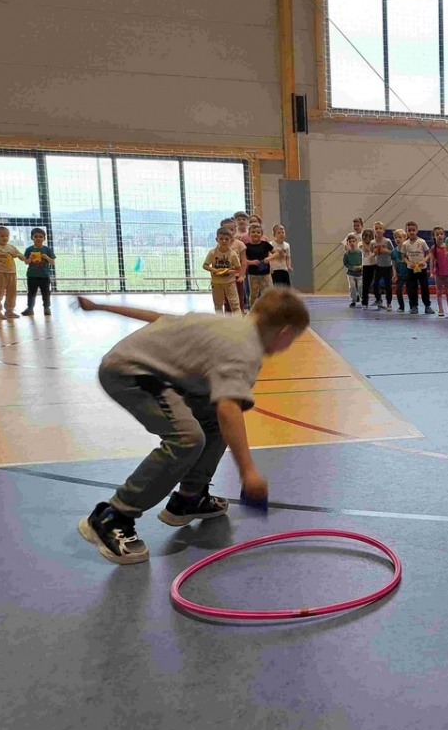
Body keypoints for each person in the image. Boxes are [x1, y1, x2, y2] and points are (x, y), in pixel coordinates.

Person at [74, 288, 309, 565]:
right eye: (293, 339)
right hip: (130, 373)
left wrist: (101, 306)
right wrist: (248, 472)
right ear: (284, 332)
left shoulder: (229, 324)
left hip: (158, 374)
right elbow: (228, 408)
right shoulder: (244, 349)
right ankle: (112, 516)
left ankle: (189, 498)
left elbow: (159, 318)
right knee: (186, 438)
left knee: (211, 421)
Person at [0, 226, 24, 320]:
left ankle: (9, 311)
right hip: (0, 273)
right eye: (2, 236)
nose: (5, 238)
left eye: (7, 236)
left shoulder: (11, 247)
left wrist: (16, 255)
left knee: (12, 293)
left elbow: (23, 257)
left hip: (12, 273)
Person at [203, 227, 241, 314]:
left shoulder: (233, 254)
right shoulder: (212, 253)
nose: (224, 241)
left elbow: (238, 269)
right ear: (217, 239)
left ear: (230, 240)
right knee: (218, 304)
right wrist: (214, 270)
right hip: (216, 282)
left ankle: (238, 320)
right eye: (221, 239)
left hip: (230, 282)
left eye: (226, 239)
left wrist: (227, 271)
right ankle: (219, 320)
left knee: (235, 304)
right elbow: (205, 265)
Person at [21, 228, 56, 316]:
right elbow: (26, 262)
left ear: (44, 238)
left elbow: (52, 262)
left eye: (40, 236)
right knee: (31, 293)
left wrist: (47, 257)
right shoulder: (29, 249)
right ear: (32, 237)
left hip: (44, 275)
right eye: (36, 236)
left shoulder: (47, 249)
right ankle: (30, 308)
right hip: (32, 275)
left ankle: (47, 308)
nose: (38, 238)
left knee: (46, 293)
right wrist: (30, 259)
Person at [402, 222, 432, 315]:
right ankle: (414, 306)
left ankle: (427, 306)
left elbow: (428, 253)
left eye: (413, 230)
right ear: (406, 231)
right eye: (409, 230)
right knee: (412, 288)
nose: (411, 232)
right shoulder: (405, 244)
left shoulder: (422, 242)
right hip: (411, 269)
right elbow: (403, 256)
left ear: (417, 231)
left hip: (422, 269)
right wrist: (409, 263)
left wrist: (424, 261)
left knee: (424, 287)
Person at [243, 222, 274, 305]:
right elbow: (243, 259)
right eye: (253, 232)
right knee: (254, 294)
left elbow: (276, 253)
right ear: (249, 234)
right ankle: (252, 309)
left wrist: (268, 258)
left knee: (268, 292)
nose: (255, 234)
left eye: (258, 232)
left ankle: (268, 308)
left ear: (261, 234)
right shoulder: (246, 247)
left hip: (265, 274)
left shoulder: (265, 244)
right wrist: (251, 262)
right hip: (253, 274)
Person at [430, 226, 448, 318]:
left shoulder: (447, 246)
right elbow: (431, 260)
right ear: (434, 236)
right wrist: (431, 272)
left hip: (447, 272)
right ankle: (441, 309)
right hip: (438, 273)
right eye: (437, 234)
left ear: (444, 235)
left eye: (441, 234)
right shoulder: (433, 248)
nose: (439, 236)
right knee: (439, 292)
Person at [372, 228, 394, 311]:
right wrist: (374, 252)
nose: (378, 230)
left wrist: (385, 250)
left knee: (388, 285)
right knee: (375, 284)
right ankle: (378, 300)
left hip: (387, 266)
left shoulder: (387, 241)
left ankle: (389, 303)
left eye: (380, 228)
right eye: (376, 228)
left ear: (383, 230)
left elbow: (393, 252)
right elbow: (371, 253)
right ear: (374, 231)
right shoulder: (373, 242)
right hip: (378, 265)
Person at [342, 234, 362, 307]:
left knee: (360, 287)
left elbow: (364, 261)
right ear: (347, 243)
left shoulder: (360, 252)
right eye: (350, 242)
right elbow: (345, 264)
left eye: (353, 241)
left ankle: (363, 299)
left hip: (360, 274)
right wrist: (352, 268)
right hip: (350, 274)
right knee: (352, 287)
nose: (352, 243)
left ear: (356, 242)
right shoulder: (346, 254)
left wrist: (361, 266)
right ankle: (353, 300)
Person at [391, 229, 408, 313]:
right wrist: (395, 274)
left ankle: (413, 306)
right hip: (400, 275)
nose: (397, 239)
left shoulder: (408, 250)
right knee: (398, 290)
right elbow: (394, 264)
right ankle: (401, 306)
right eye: (396, 237)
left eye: (400, 237)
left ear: (405, 238)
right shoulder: (394, 252)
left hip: (408, 274)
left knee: (410, 291)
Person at [360, 228, 377, 309]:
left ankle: (378, 299)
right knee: (365, 284)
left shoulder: (374, 243)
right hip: (366, 265)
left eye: (369, 237)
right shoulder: (361, 243)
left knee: (375, 283)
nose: (368, 239)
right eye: (366, 237)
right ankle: (365, 301)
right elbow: (367, 249)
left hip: (374, 264)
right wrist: (363, 241)